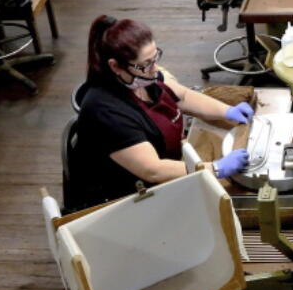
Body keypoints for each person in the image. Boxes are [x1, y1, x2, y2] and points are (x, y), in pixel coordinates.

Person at [70, 16, 251, 212]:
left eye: (155, 58)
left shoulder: (144, 77)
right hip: (128, 203)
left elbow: (182, 96)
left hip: (169, 168)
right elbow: (153, 170)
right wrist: (216, 168)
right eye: (146, 64)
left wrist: (226, 111)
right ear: (115, 66)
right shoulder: (105, 111)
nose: (155, 69)